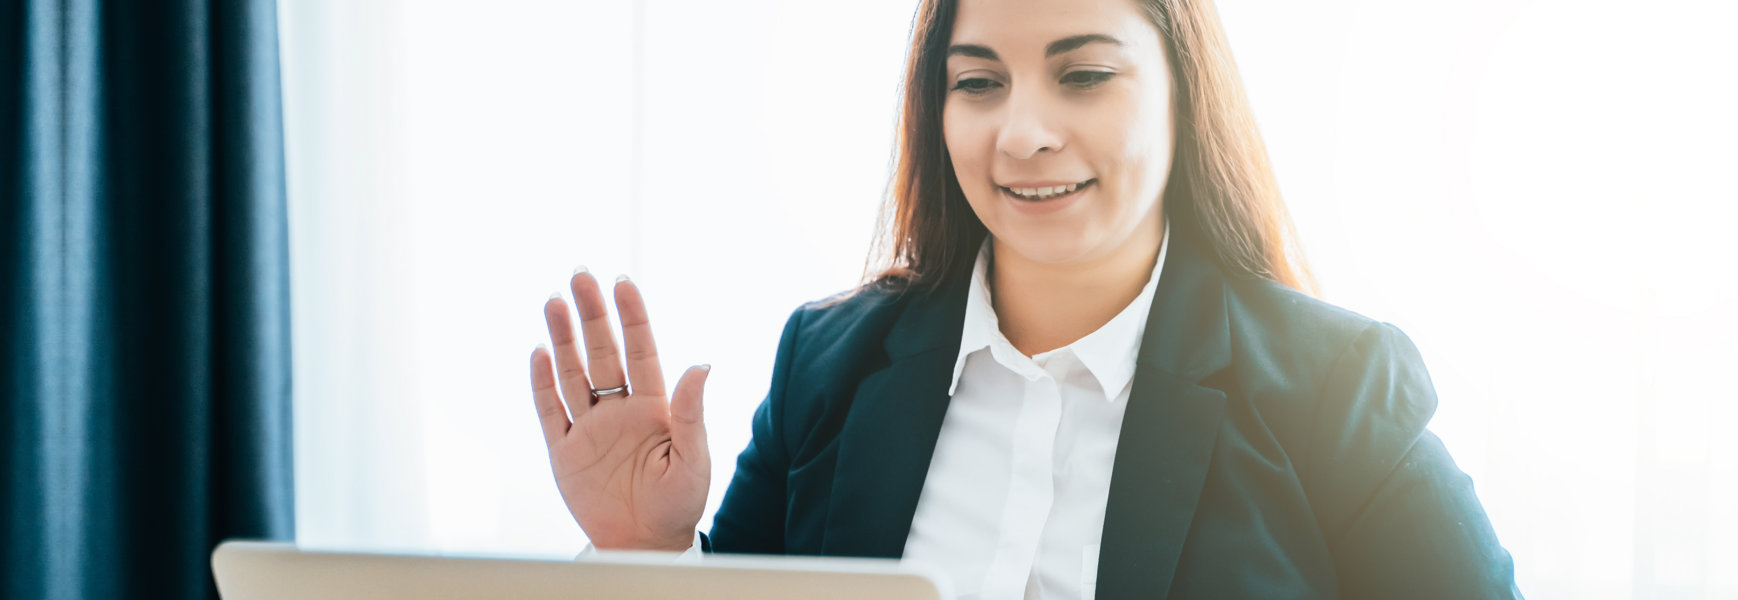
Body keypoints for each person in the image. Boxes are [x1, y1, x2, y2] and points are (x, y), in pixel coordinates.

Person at [527, 0, 1520, 597]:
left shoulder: (1333, 390)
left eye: (1083, 75)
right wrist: (645, 559)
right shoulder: (828, 367)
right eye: (979, 82)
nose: (1023, 134)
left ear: (1184, 92)